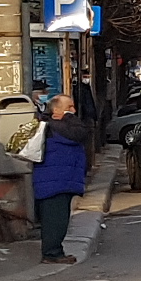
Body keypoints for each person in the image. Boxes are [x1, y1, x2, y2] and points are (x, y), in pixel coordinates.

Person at [32, 94, 89, 264]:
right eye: (70, 107)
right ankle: (52, 253)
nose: (74, 111)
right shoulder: (58, 127)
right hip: (56, 180)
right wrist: (69, 117)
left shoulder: (52, 125)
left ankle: (54, 251)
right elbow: (80, 132)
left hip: (58, 179)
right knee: (56, 219)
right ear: (57, 110)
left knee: (56, 218)